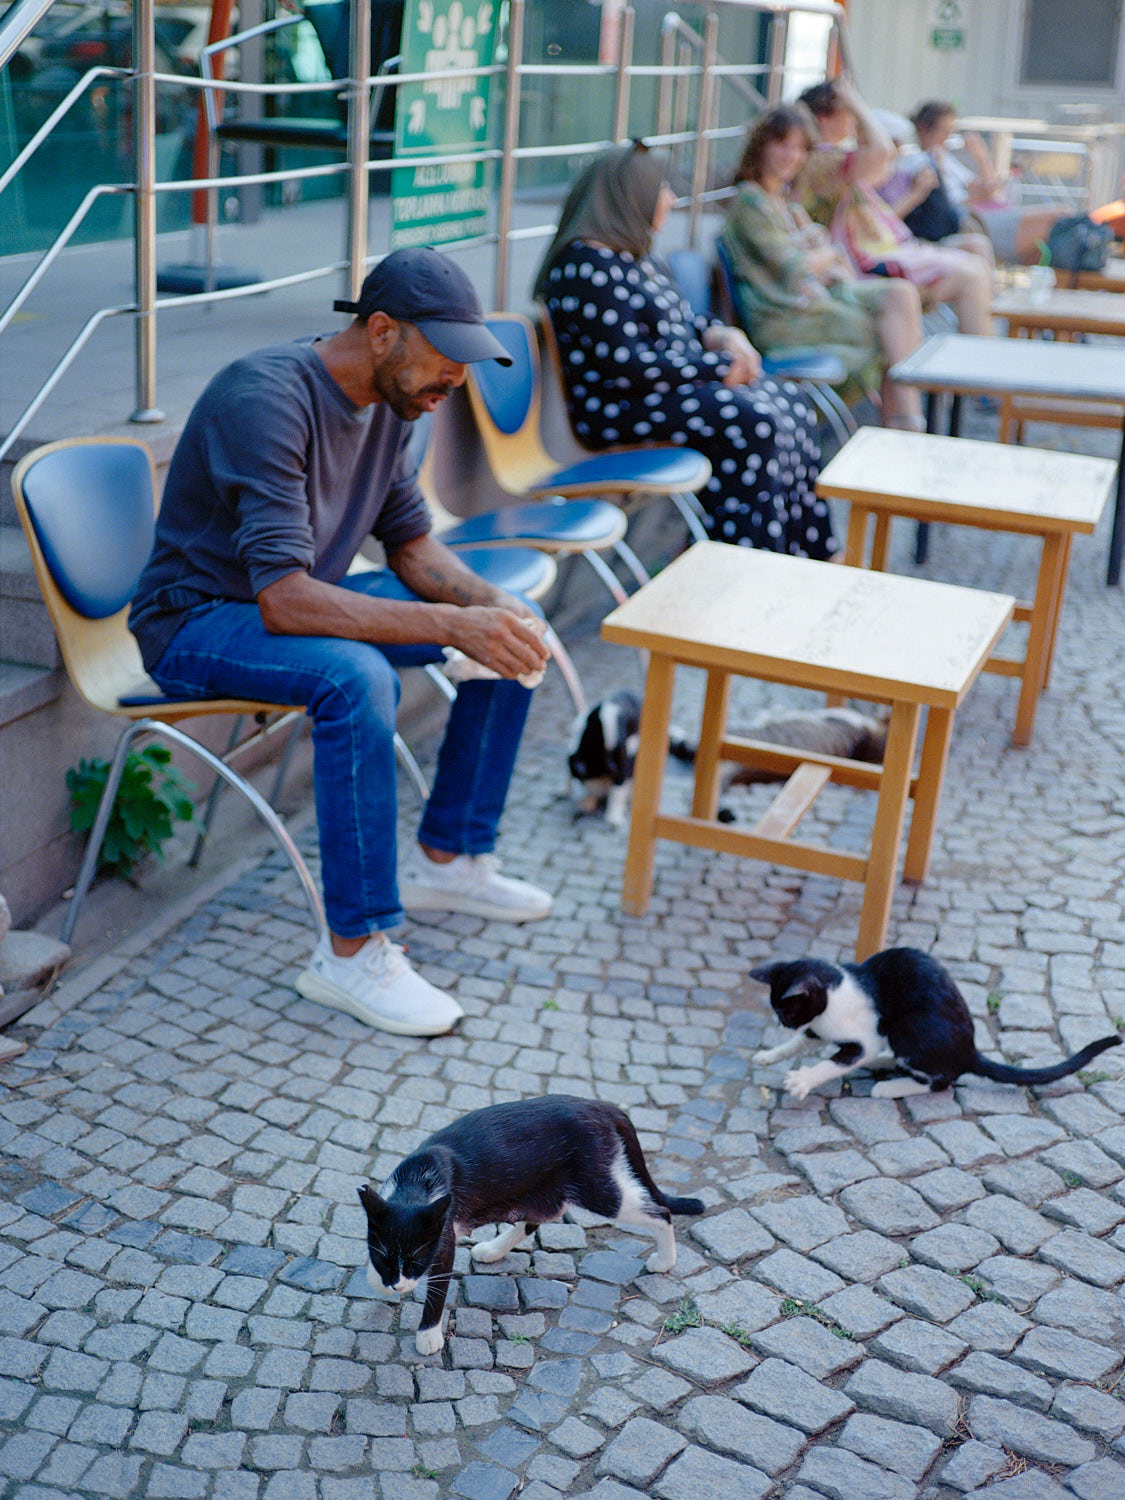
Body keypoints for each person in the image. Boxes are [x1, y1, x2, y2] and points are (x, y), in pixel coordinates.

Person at [130, 248, 553, 1039]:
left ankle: (450, 859)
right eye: (448, 357)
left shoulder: (392, 409)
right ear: (384, 331)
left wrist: (495, 608)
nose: (457, 380)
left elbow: (415, 553)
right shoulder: (267, 399)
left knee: (509, 623)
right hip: (195, 619)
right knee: (356, 678)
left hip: (289, 602)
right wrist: (452, 625)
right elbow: (286, 600)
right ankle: (351, 953)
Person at [534, 141, 835, 559]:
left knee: (793, 403)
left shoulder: (634, 258)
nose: (671, 200)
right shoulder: (585, 267)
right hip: (618, 408)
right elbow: (627, 366)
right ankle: (741, 561)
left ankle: (806, 553)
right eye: (661, 189)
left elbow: (683, 324)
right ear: (629, 196)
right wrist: (717, 369)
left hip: (664, 392)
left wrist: (720, 336)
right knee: (755, 421)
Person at [722, 105, 925, 431]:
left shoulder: (783, 201)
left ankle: (904, 423)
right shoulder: (751, 201)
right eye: (783, 144)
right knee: (891, 330)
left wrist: (824, 254)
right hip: (783, 319)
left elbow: (815, 262)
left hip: (811, 305)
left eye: (800, 148)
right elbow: (794, 268)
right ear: (762, 145)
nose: (792, 155)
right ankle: (905, 426)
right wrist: (827, 254)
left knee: (901, 298)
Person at [795, 77, 994, 336]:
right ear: (824, 118)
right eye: (846, 111)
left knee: (975, 262)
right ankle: (976, 365)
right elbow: (882, 153)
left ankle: (975, 357)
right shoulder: (822, 162)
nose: (853, 118)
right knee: (972, 276)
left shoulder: (835, 161)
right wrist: (855, 101)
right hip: (863, 264)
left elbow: (881, 159)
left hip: (881, 249)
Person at [906, 101, 1072, 266]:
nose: (947, 138)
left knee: (1053, 232)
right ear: (923, 129)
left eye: (950, 132)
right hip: (971, 220)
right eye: (944, 131)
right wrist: (975, 195)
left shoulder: (947, 159)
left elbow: (990, 189)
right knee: (1059, 220)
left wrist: (980, 155)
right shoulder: (918, 164)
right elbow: (940, 211)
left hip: (989, 211)